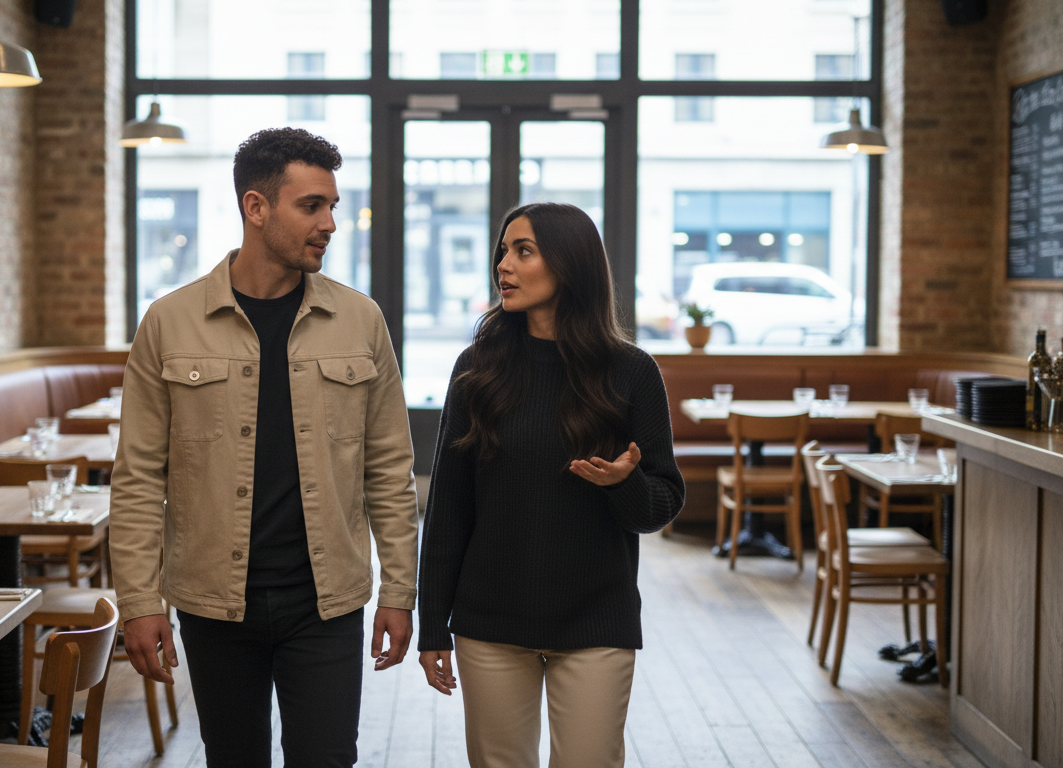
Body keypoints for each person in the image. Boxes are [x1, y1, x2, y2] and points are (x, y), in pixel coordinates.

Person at [111, 127, 419, 767]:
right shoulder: (169, 322)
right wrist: (139, 602)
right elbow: (138, 477)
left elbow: (390, 470)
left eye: (332, 205)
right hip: (213, 602)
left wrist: (399, 589)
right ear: (256, 207)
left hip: (326, 602)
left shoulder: (361, 321)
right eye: (311, 206)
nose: (330, 223)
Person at [417, 202, 685, 768]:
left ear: (569, 264)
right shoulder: (476, 369)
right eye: (503, 251)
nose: (503, 265)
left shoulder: (632, 372)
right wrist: (433, 625)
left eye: (524, 251)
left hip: (596, 621)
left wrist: (623, 484)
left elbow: (660, 505)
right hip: (489, 622)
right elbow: (448, 510)